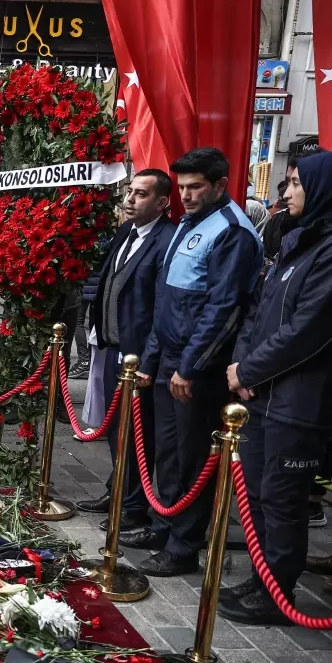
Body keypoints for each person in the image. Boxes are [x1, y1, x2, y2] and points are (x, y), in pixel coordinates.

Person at [120, 148, 263, 577]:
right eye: (181, 187)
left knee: (192, 457)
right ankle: (166, 524)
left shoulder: (232, 231)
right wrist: (151, 360)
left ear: (220, 184)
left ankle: (185, 545)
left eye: (196, 186)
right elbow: (167, 301)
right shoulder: (188, 223)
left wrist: (191, 367)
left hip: (195, 368)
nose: (187, 195)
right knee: (167, 452)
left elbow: (223, 309)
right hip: (167, 361)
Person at [219, 151, 332, 625]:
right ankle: (261, 578)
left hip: (299, 401)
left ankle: (277, 591)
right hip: (263, 394)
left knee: (282, 498)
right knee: (254, 495)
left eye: (295, 183)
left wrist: (249, 372)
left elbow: (309, 330)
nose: (287, 192)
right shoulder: (301, 241)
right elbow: (260, 311)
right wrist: (243, 366)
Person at [75, 170, 176, 528]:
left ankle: (133, 506)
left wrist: (147, 359)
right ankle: (117, 488)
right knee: (117, 430)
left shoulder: (166, 240)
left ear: (162, 203)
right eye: (130, 192)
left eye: (141, 194)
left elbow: (162, 307)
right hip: (112, 347)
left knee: (137, 434)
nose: (130, 199)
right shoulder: (126, 232)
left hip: (139, 355)